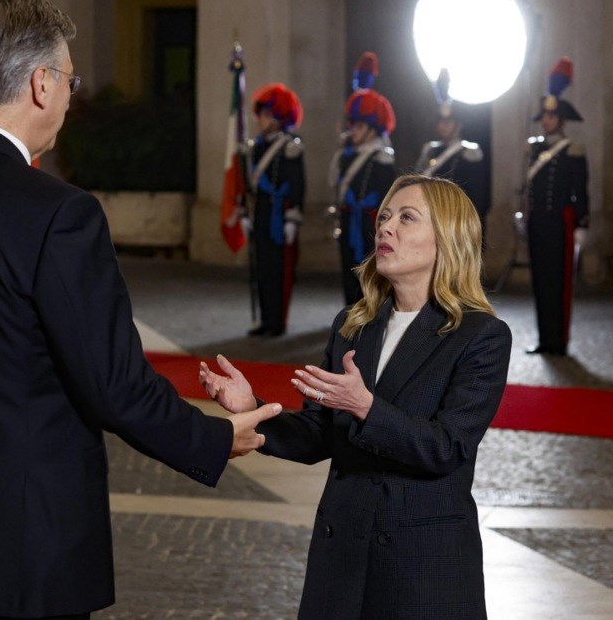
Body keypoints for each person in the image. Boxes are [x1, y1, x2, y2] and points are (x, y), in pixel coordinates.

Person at [0, 0, 280, 620]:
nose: (70, 96)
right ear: (41, 84)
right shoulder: (59, 213)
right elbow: (113, 382)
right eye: (69, 80)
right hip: (29, 535)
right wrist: (213, 438)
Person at [201, 174, 511, 619]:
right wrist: (253, 410)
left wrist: (365, 407)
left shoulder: (480, 335)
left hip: (421, 567)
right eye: (384, 217)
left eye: (407, 218)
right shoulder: (353, 324)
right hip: (341, 555)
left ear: (448, 237)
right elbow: (319, 433)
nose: (386, 227)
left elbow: (447, 448)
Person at [524, 57, 589, 357]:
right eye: (544, 116)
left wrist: (582, 224)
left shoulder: (573, 150)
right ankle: (544, 338)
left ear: (561, 120)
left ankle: (558, 341)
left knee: (558, 282)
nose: (546, 121)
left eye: (551, 116)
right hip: (538, 221)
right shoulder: (535, 148)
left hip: (561, 223)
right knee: (540, 281)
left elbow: (580, 190)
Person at [241, 82, 305, 337]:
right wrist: (245, 213)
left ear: (280, 118)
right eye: (262, 114)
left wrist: (292, 219)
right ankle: (265, 320)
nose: (261, 119)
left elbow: (297, 184)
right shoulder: (257, 146)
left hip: (279, 215)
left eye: (267, 114)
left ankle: (277, 323)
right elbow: (249, 185)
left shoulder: (290, 146)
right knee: (262, 268)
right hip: (261, 212)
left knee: (279, 270)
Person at [330, 70, 396, 306]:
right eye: (353, 125)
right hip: (349, 221)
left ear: (372, 129)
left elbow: (389, 200)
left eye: (358, 126)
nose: (353, 131)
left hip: (370, 225)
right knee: (348, 273)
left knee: (370, 278)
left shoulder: (381, 158)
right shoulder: (346, 156)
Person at [415, 68, 490, 236]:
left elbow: (476, 197)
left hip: (455, 222)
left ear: (458, 125)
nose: (442, 126)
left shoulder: (469, 152)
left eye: (448, 122)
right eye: (440, 121)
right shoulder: (430, 150)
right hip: (431, 220)